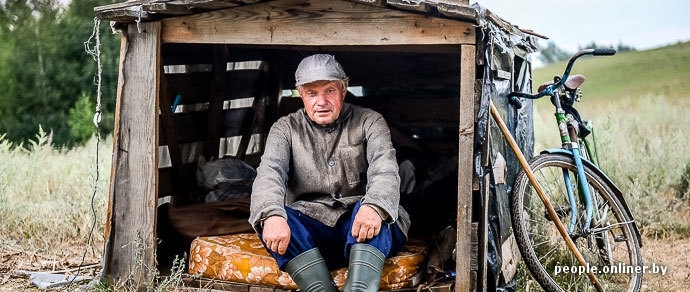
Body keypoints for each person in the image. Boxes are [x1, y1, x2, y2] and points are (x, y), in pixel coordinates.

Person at [249, 54, 410, 292]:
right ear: (301, 95)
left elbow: (384, 169)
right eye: (312, 93)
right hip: (313, 229)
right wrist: (271, 215)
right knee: (273, 219)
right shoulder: (285, 129)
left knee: (377, 214)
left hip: (363, 223)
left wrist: (374, 207)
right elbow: (269, 173)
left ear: (343, 91)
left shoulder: (369, 121)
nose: (321, 101)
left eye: (329, 91)